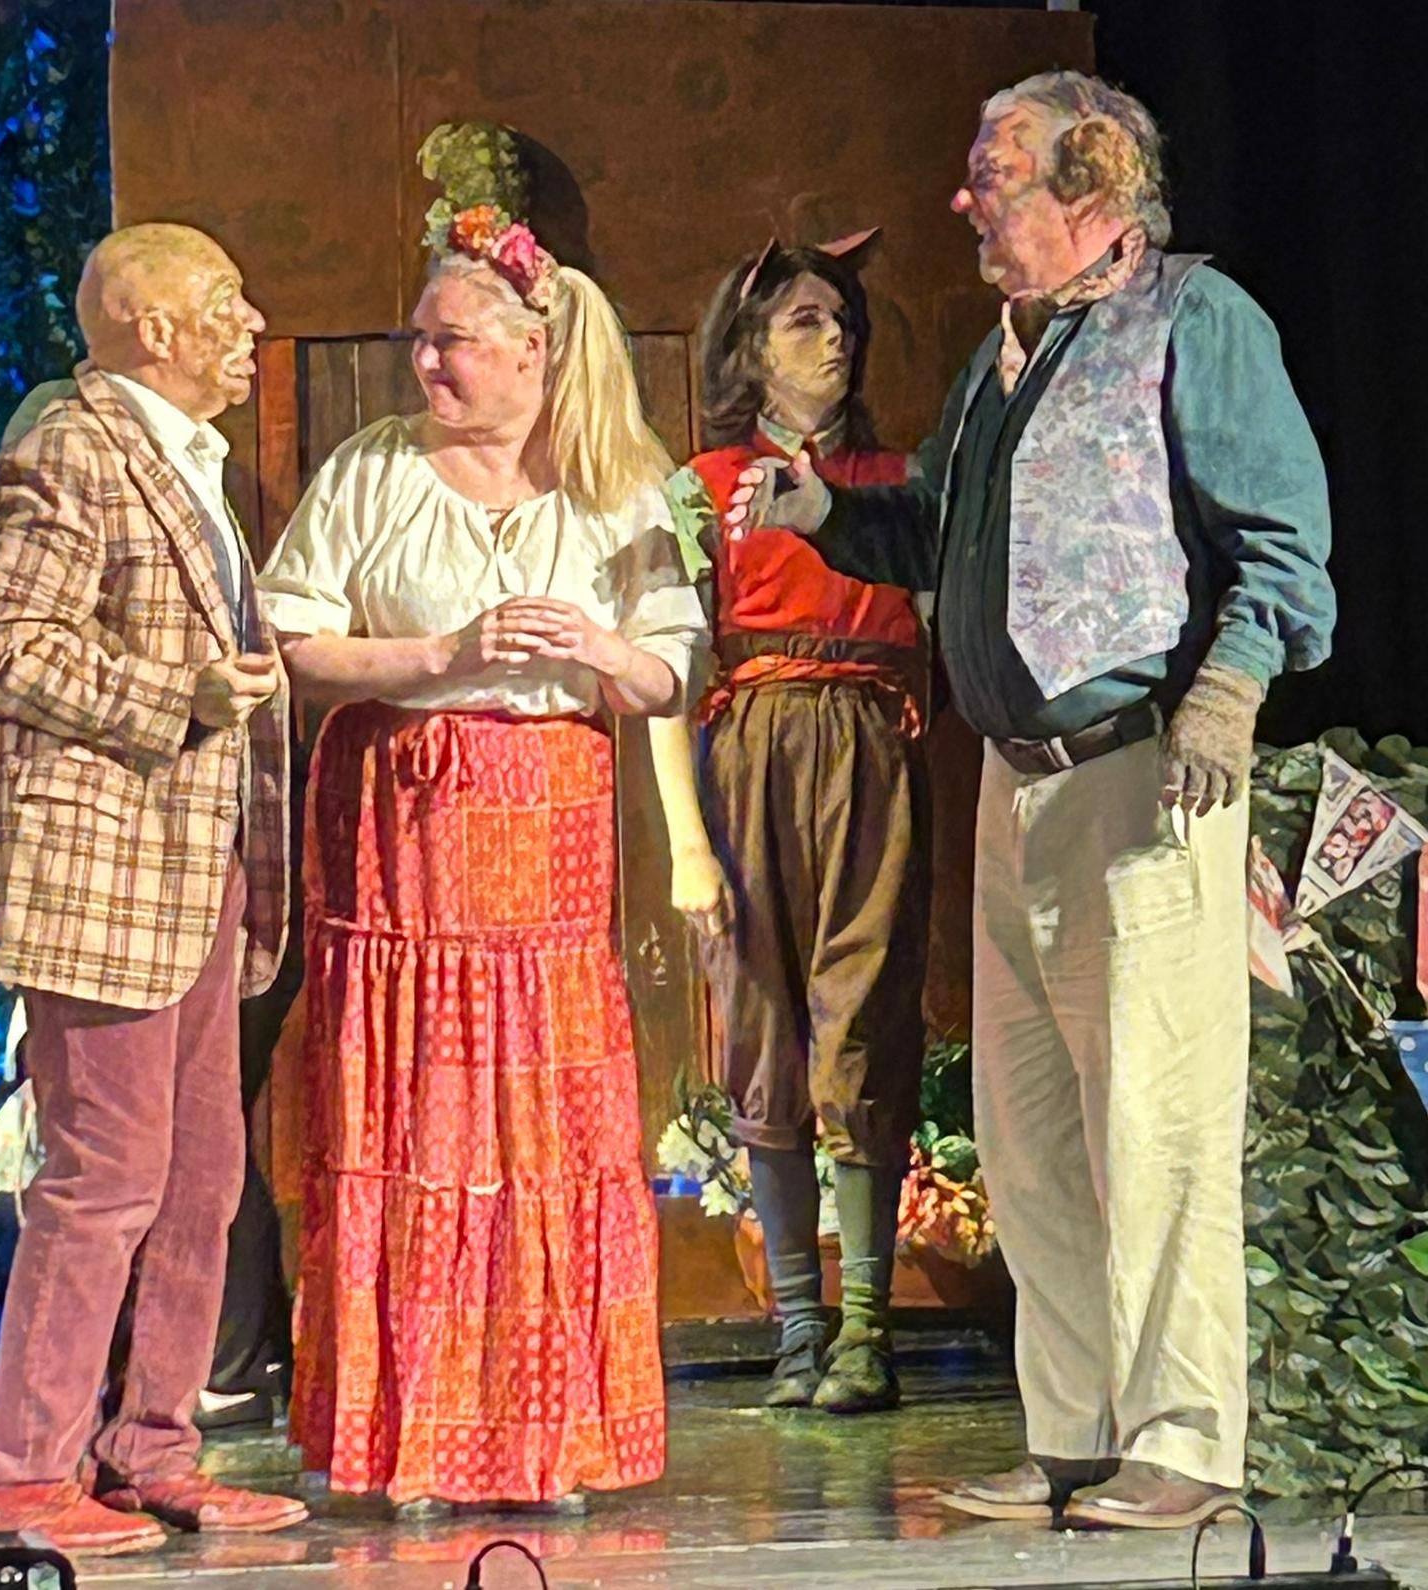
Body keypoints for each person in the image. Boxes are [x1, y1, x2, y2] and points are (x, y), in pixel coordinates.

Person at [731, 72, 1335, 1528]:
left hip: (1144, 777)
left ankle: (1185, 1440)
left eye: (994, 172)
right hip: (1018, 787)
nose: (964, 197)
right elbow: (937, 527)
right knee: (1032, 1131)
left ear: (1095, 185)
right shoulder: (1005, 353)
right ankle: (1073, 1429)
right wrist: (826, 514)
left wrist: (1229, 689)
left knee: (1157, 1124)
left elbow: (1284, 540)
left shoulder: (1195, 319)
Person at [257, 203, 704, 1510]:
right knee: (414, 1117)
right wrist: (438, 656)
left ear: (531, 351)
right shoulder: (374, 469)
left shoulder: (621, 481)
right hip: (400, 828)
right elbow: (292, 645)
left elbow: (670, 672)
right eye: (420, 339)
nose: (425, 363)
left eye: (450, 341)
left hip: (545, 829)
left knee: (539, 1127)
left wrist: (600, 648)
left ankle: (548, 1433)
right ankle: (409, 1436)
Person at [0, 222, 306, 1554]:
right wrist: (182, 694)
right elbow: (3, 647)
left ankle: (152, 1447)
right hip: (105, 868)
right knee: (103, 1174)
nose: (250, 322)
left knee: (202, 1175)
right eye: (225, 302)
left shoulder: (186, 458)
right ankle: (21, 1471)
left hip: (195, 863)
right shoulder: (69, 450)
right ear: (154, 329)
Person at [651, 232, 930, 1414]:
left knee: (862, 1014)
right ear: (750, 348)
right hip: (750, 749)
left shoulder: (898, 483)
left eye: (842, 320)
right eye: (804, 320)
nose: (834, 339)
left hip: (867, 747)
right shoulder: (700, 486)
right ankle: (799, 1330)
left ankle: (867, 1328)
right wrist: (687, 840)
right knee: (761, 1023)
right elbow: (667, 674)